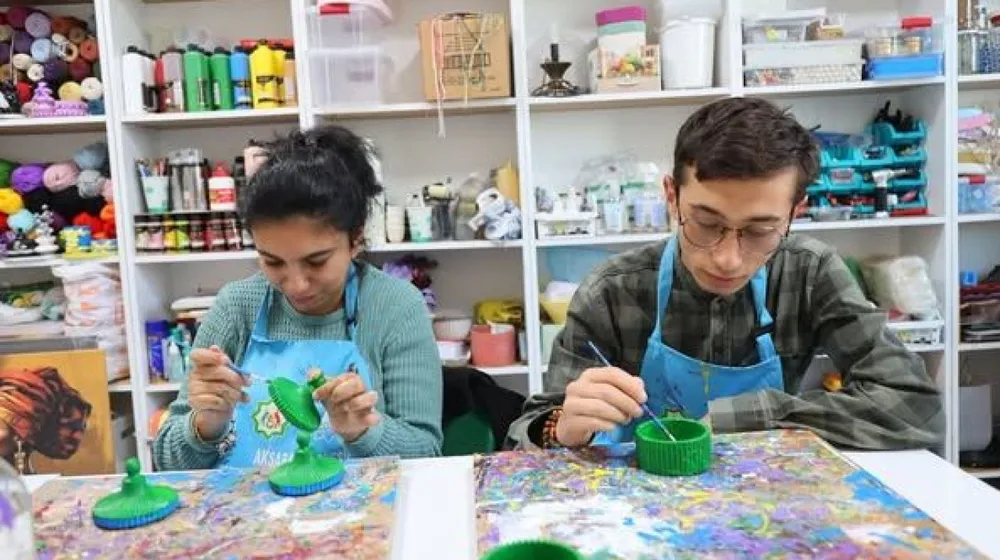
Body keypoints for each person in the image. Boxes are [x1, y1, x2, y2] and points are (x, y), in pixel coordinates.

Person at [507, 97, 945, 452]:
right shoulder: (614, 290)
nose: (728, 259)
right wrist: (564, 428)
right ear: (672, 197)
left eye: (759, 230)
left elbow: (915, 406)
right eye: (706, 223)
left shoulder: (809, 273)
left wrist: (765, 413)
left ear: (794, 213)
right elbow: (525, 433)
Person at [153, 125, 443, 470]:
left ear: (356, 238)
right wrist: (205, 424)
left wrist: (364, 432)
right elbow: (167, 462)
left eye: (316, 261)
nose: (296, 285)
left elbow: (427, 454)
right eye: (273, 262)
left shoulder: (395, 307)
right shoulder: (237, 306)